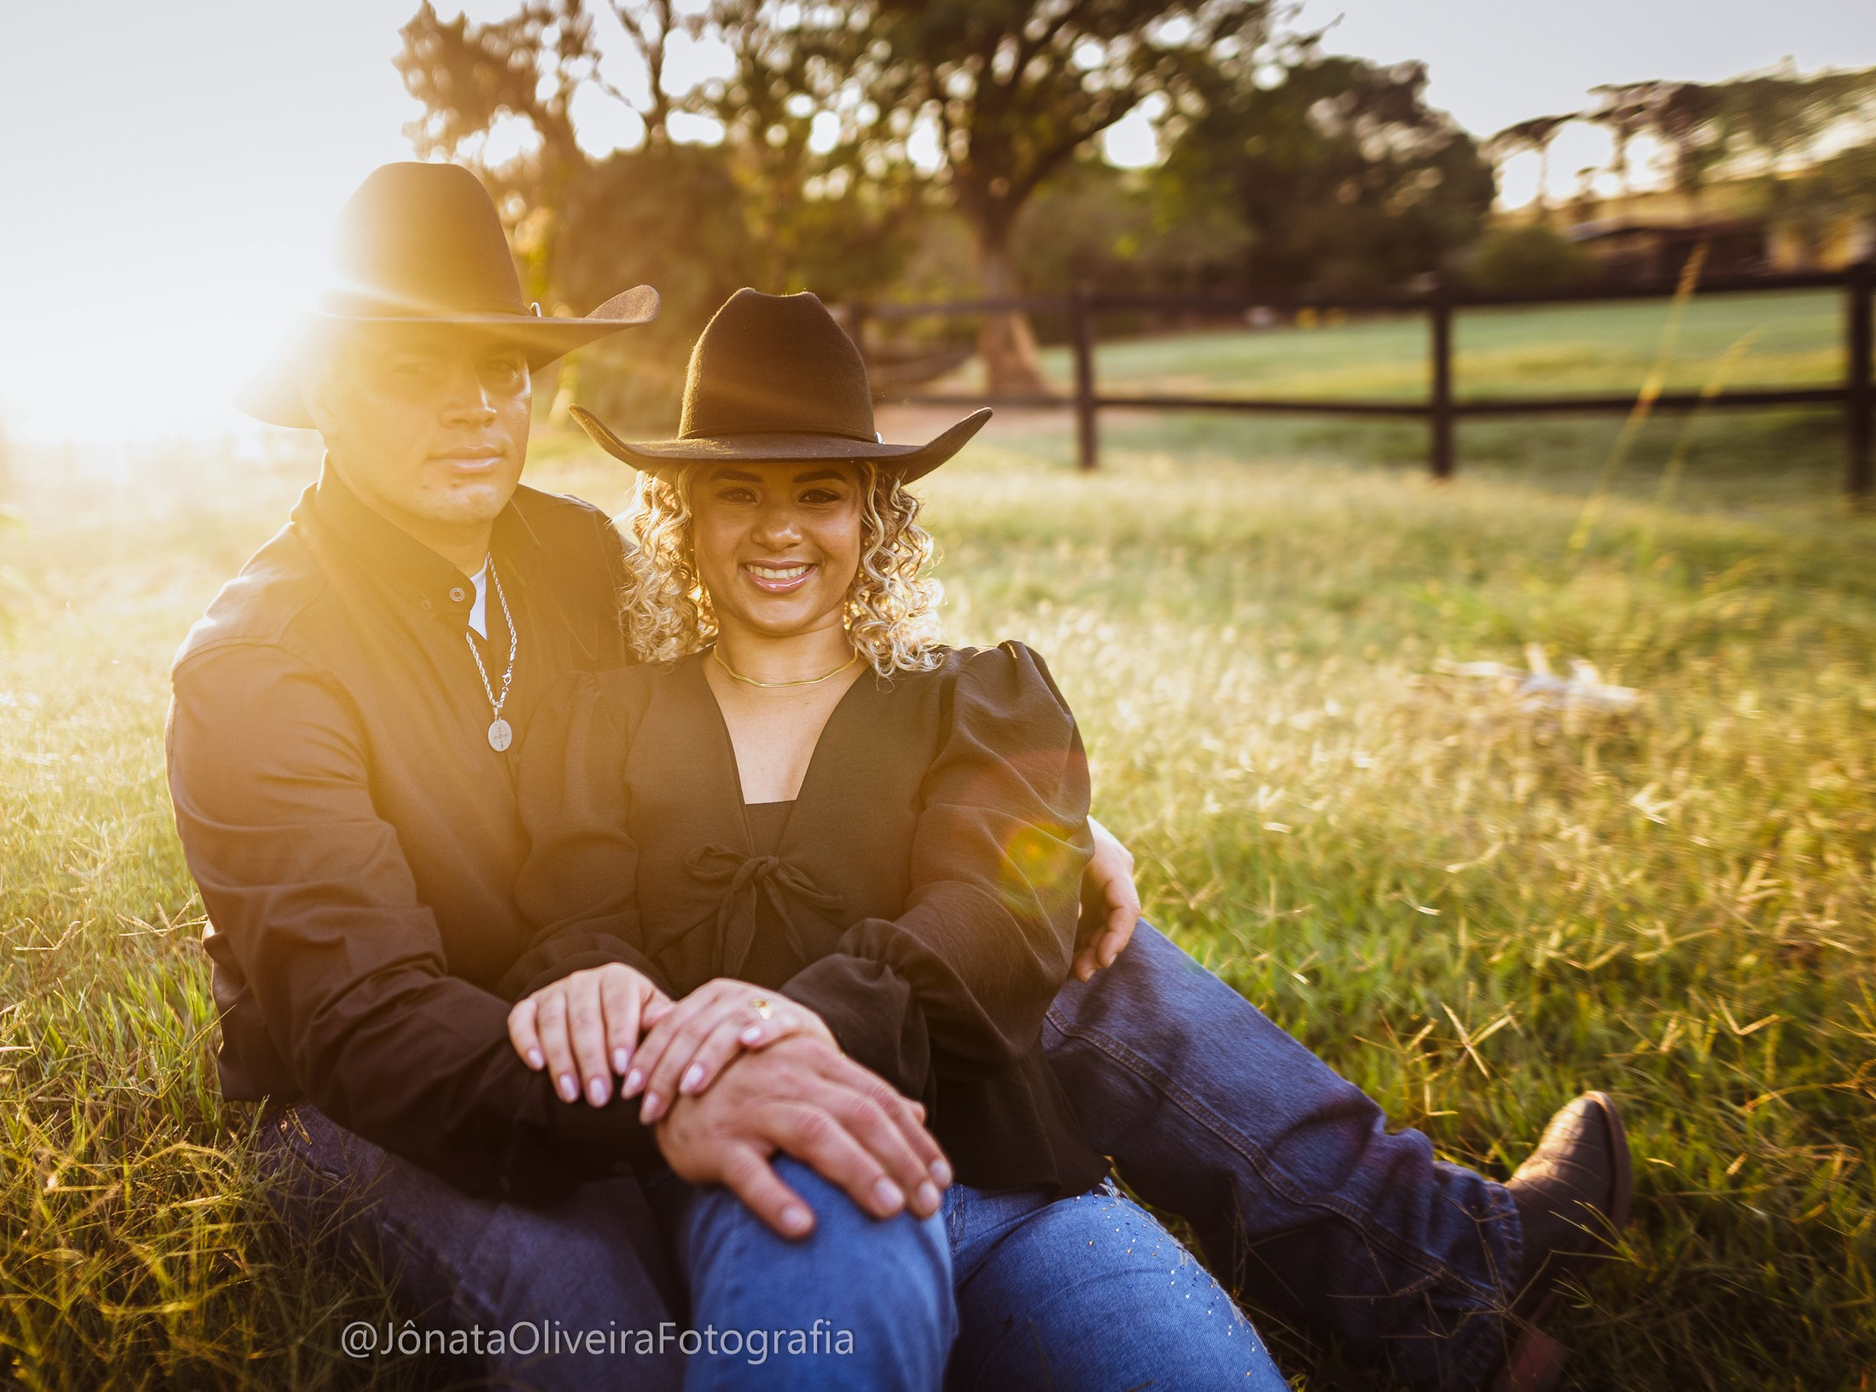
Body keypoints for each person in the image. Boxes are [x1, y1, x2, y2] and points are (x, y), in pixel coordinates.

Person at [166, 161, 1631, 1392]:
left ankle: (1445, 1258)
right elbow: (361, 1021)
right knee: (611, 1321)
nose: (476, 407)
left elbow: (776, 693)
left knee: (1046, 943)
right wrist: (672, 1093)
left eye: (502, 366)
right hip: (386, 1086)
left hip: (630, 993)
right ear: (328, 395)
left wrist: (1040, 826)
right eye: (419, 370)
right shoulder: (259, 660)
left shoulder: (566, 553)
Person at [499, 287, 1284, 1386]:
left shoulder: (977, 697)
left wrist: (806, 1009)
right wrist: (591, 975)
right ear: (683, 517)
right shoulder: (600, 719)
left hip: (1010, 1196)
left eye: (819, 491)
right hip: (769, 1186)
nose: (779, 526)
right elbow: (574, 920)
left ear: (872, 518)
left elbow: (999, 918)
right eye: (738, 490)